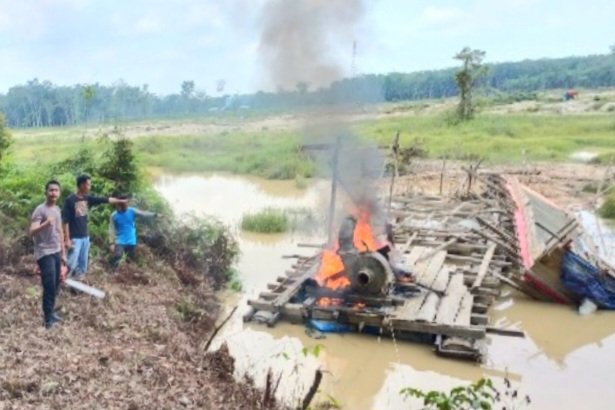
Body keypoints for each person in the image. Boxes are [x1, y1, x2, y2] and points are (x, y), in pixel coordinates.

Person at [62, 174, 126, 278]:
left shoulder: (87, 198)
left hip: (85, 237)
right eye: (88, 184)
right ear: (82, 185)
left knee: (83, 264)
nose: (90, 186)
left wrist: (120, 201)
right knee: (71, 263)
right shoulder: (70, 200)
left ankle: (78, 283)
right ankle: (63, 280)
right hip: (75, 238)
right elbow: (65, 221)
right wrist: (67, 239)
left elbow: (104, 200)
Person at [30, 180, 66, 329]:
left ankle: (51, 313)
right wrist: (45, 224)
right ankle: (47, 320)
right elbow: (32, 231)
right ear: (46, 192)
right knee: (49, 285)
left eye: (56, 190)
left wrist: (64, 253)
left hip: (56, 250)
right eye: (51, 190)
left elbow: (60, 231)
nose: (53, 193)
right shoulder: (40, 210)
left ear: (59, 193)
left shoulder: (57, 209)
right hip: (44, 252)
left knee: (56, 284)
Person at [108, 195, 158, 270]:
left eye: (127, 204)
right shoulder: (114, 215)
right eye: (124, 204)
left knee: (130, 261)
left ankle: (125, 276)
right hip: (120, 241)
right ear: (119, 204)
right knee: (118, 256)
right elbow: (111, 229)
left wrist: (155, 215)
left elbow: (144, 214)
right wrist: (111, 243)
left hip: (131, 241)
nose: (126, 206)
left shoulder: (132, 211)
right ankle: (111, 271)